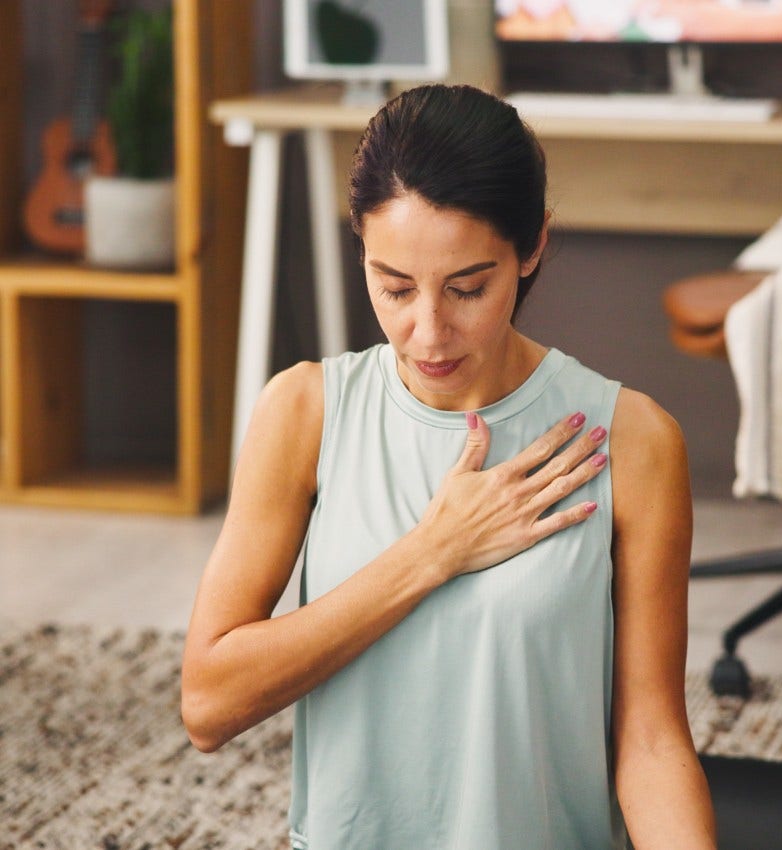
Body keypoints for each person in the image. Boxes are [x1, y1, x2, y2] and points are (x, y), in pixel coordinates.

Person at [182, 84, 716, 849]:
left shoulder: (632, 441)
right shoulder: (304, 412)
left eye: (468, 287)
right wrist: (433, 553)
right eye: (393, 286)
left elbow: (654, 741)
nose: (427, 332)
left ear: (532, 246)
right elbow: (208, 705)